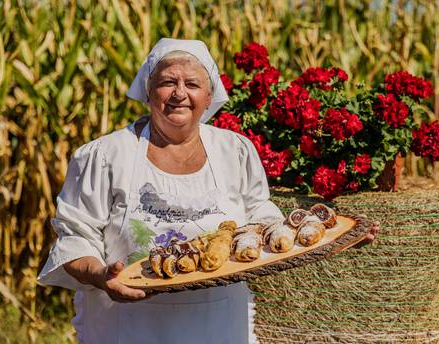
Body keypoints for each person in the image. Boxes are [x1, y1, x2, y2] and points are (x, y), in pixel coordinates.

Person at [38, 38, 377, 344]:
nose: (179, 93)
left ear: (209, 96)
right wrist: (101, 276)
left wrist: (335, 238)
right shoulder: (105, 156)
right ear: (148, 89)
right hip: (127, 326)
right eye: (168, 82)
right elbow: (74, 236)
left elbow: (263, 225)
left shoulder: (235, 151)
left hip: (220, 327)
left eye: (192, 84)